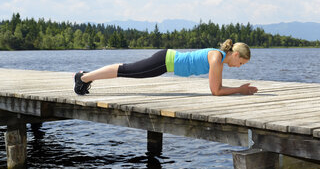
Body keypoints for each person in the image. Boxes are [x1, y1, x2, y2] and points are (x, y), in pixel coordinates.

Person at [74, 39, 258, 96]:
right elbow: (216, 91)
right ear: (235, 55)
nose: (239, 66)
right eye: (241, 63)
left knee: (126, 70)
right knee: (125, 70)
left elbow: (217, 88)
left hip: (165, 62)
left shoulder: (218, 59)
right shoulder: (217, 58)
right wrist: (240, 90)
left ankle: (85, 76)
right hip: (164, 62)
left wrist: (238, 90)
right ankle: (83, 77)